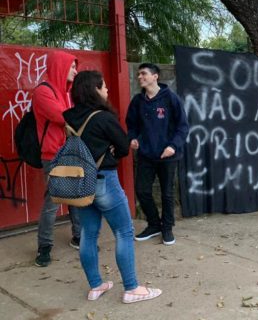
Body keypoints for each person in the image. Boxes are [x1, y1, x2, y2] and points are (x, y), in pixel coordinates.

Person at [64, 71, 162, 303]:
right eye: (104, 86)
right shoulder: (103, 117)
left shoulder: (68, 116)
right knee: (124, 231)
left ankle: (96, 286)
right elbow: (124, 146)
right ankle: (131, 288)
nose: (107, 90)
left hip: (81, 183)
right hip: (104, 179)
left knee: (88, 233)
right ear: (94, 89)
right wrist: (113, 152)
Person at [126, 63, 189, 245]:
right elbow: (131, 125)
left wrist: (173, 146)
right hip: (146, 155)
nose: (140, 77)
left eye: (144, 74)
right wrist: (133, 138)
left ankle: (167, 228)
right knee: (142, 191)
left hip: (168, 155)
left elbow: (183, 126)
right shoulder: (138, 101)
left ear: (155, 77)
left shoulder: (170, 98)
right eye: (138, 74)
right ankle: (154, 224)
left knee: (167, 194)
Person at [33, 51, 80, 267]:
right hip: (53, 155)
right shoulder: (43, 92)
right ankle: (44, 247)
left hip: (69, 152)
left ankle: (78, 236)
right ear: (60, 67)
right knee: (53, 202)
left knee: (76, 198)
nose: (75, 71)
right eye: (71, 66)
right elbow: (62, 117)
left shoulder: (65, 93)